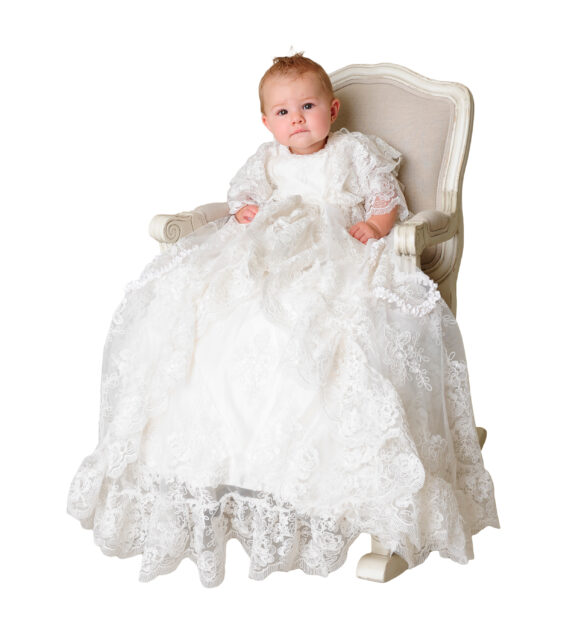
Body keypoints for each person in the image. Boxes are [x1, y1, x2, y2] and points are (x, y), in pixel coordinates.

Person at [67, 53, 499, 588]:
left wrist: (375, 224)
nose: (297, 118)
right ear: (267, 122)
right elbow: (243, 198)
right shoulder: (268, 160)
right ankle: (224, 464)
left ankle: (362, 476)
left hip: (340, 246)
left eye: (308, 107)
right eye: (283, 111)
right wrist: (246, 212)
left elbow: (385, 197)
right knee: (209, 311)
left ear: (332, 111)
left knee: (330, 321)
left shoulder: (351, 151)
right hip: (274, 247)